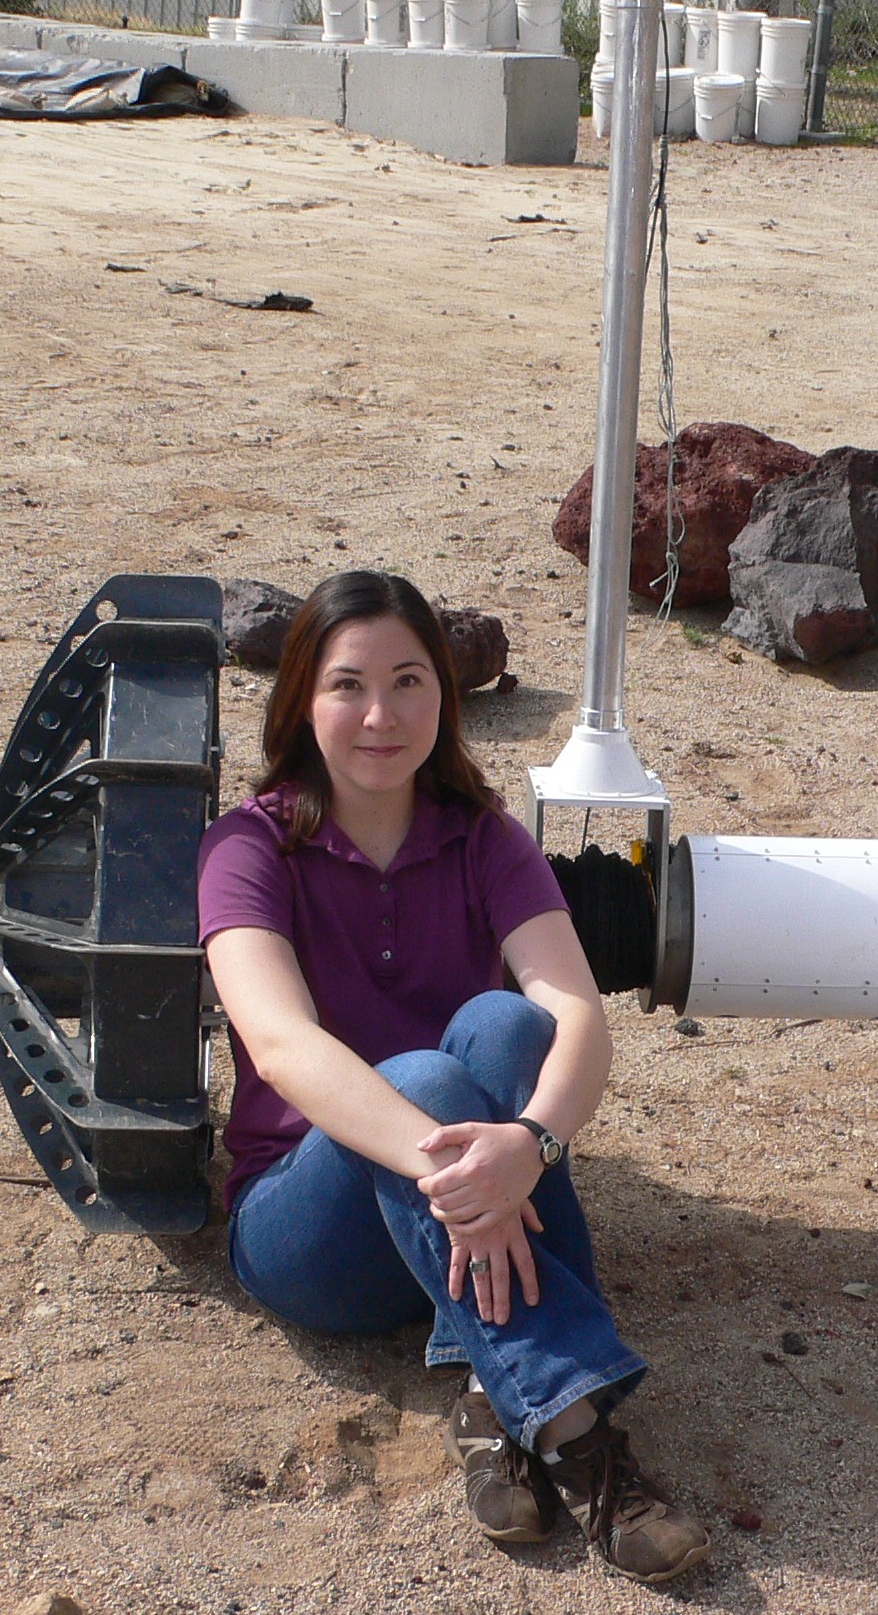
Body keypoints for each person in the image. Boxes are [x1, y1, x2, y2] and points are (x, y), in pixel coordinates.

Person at [197, 570, 710, 1585]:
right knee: (433, 1074)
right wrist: (467, 1179)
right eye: (348, 684)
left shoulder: (486, 839)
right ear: (301, 699)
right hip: (307, 1226)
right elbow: (286, 1045)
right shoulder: (247, 846)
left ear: (447, 695)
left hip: (466, 1200)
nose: (380, 715)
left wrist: (529, 1146)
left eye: (410, 680)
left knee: (507, 1023)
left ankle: (491, 1385)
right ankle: (580, 1436)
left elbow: (576, 1014)